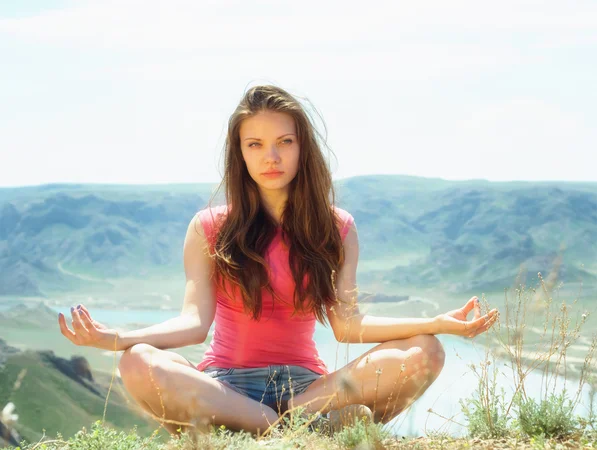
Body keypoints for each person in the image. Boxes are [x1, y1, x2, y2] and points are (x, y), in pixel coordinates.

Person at [58, 85, 499, 436]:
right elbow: (194, 323)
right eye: (256, 144)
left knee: (426, 351)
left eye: (284, 142)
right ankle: (274, 426)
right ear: (240, 152)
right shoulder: (209, 226)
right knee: (137, 363)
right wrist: (117, 338)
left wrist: (435, 324)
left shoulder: (337, 227)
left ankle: (290, 417)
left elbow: (347, 325)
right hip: (223, 386)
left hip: (308, 388)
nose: (271, 157)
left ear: (302, 147)